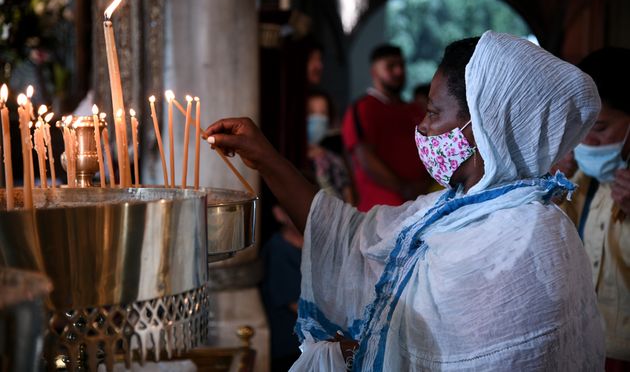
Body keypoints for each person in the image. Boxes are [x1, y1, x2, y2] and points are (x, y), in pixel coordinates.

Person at [205, 32, 604, 370]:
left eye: (433, 112)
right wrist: (265, 158)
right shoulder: (452, 209)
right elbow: (350, 238)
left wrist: (360, 353)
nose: (423, 127)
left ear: (482, 124)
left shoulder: (526, 236)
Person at [559, 47, 630, 371]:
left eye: (600, 128)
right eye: (581, 127)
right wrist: (555, 187)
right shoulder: (582, 182)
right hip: (585, 347)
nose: (587, 141)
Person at [342, 44, 429, 211]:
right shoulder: (362, 108)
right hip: (383, 208)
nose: (399, 71)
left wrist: (424, 184)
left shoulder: (415, 109)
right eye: (391, 66)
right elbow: (364, 157)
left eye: (401, 65)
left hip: (422, 201)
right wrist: (404, 188)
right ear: (374, 71)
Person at [261, 204, 304, 371]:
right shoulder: (279, 250)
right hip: (290, 350)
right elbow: (297, 306)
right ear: (279, 214)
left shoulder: (314, 247)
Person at [306, 91, 354, 203]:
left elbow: (348, 195)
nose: (317, 118)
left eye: (322, 113)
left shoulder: (333, 159)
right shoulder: (289, 157)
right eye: (312, 112)